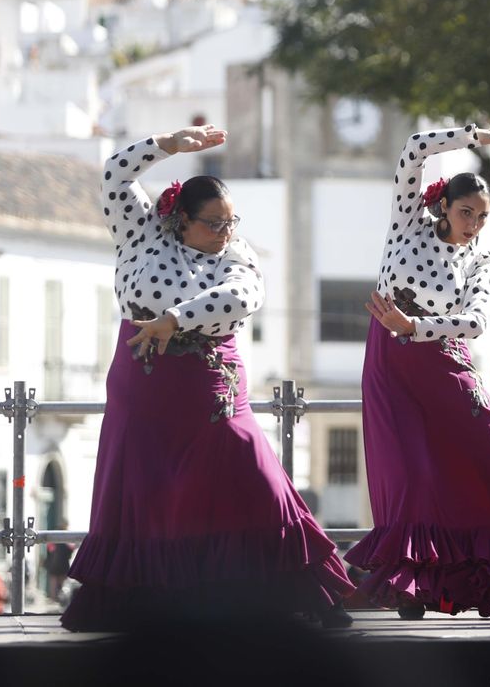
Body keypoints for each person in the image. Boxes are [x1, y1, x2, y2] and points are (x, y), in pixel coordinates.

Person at [62, 125, 353, 630]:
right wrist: (168, 145)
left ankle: (297, 594)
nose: (225, 232)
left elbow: (244, 296)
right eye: (214, 224)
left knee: (254, 476)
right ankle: (153, 604)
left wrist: (174, 319)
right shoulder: (139, 231)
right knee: (147, 491)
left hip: (212, 383)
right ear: (179, 220)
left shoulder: (237, 254)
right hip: (146, 382)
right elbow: (113, 173)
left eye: (230, 222)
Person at [345, 121, 490, 619]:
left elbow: (477, 322)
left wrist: (414, 324)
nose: (475, 224)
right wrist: (485, 138)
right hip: (390, 366)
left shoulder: (479, 258)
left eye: (483, 216)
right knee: (414, 477)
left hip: (445, 367)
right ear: (443, 205)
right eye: (467, 212)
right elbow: (415, 146)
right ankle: (418, 586)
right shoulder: (406, 222)